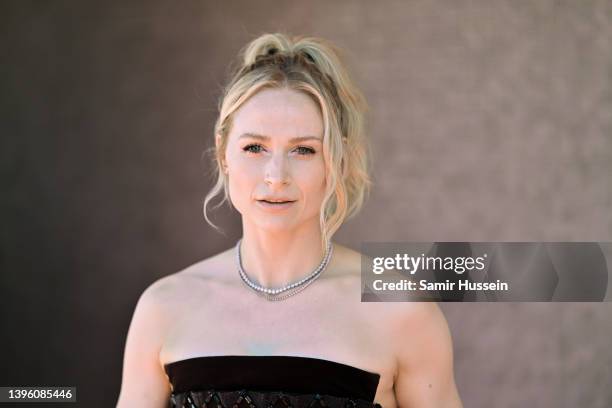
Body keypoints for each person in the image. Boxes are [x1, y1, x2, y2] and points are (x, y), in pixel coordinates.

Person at [116, 33, 463, 408]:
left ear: (337, 160)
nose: (276, 175)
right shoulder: (165, 307)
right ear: (223, 153)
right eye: (254, 148)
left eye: (303, 149)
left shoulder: (403, 312)